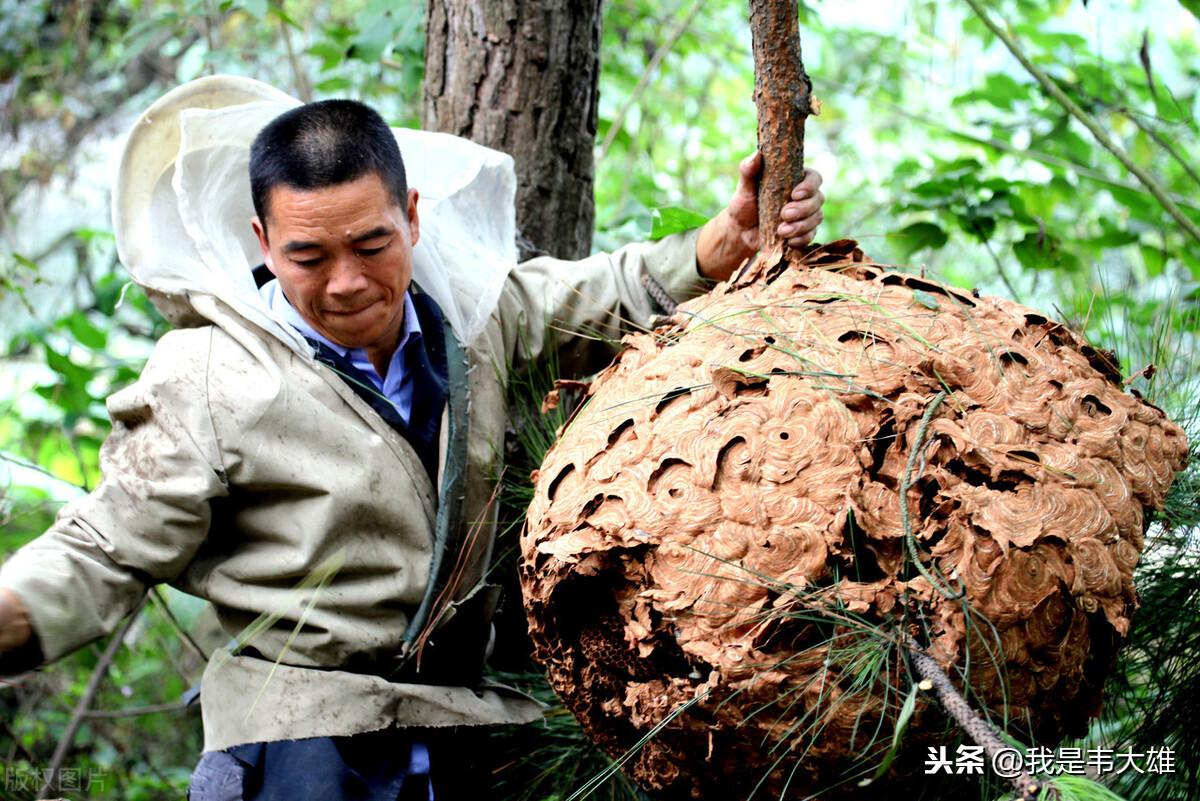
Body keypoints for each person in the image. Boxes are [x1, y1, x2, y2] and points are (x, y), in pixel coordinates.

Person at [0, 76, 825, 799]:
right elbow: (106, 546)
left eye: (371, 243)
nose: (348, 281)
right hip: (299, 739)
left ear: (413, 215)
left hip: (475, 722)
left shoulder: (472, 315)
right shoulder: (209, 374)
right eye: (308, 257)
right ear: (261, 244)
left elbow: (610, 293)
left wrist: (728, 239)